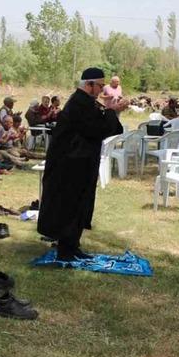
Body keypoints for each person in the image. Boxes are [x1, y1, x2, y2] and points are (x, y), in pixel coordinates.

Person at [38, 67, 126, 261]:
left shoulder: (87, 103)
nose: (102, 90)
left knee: (79, 206)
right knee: (69, 207)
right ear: (89, 84)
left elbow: (106, 127)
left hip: (80, 164)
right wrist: (112, 111)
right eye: (100, 85)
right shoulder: (78, 104)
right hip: (69, 165)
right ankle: (65, 250)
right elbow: (94, 129)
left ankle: (73, 245)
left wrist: (112, 112)